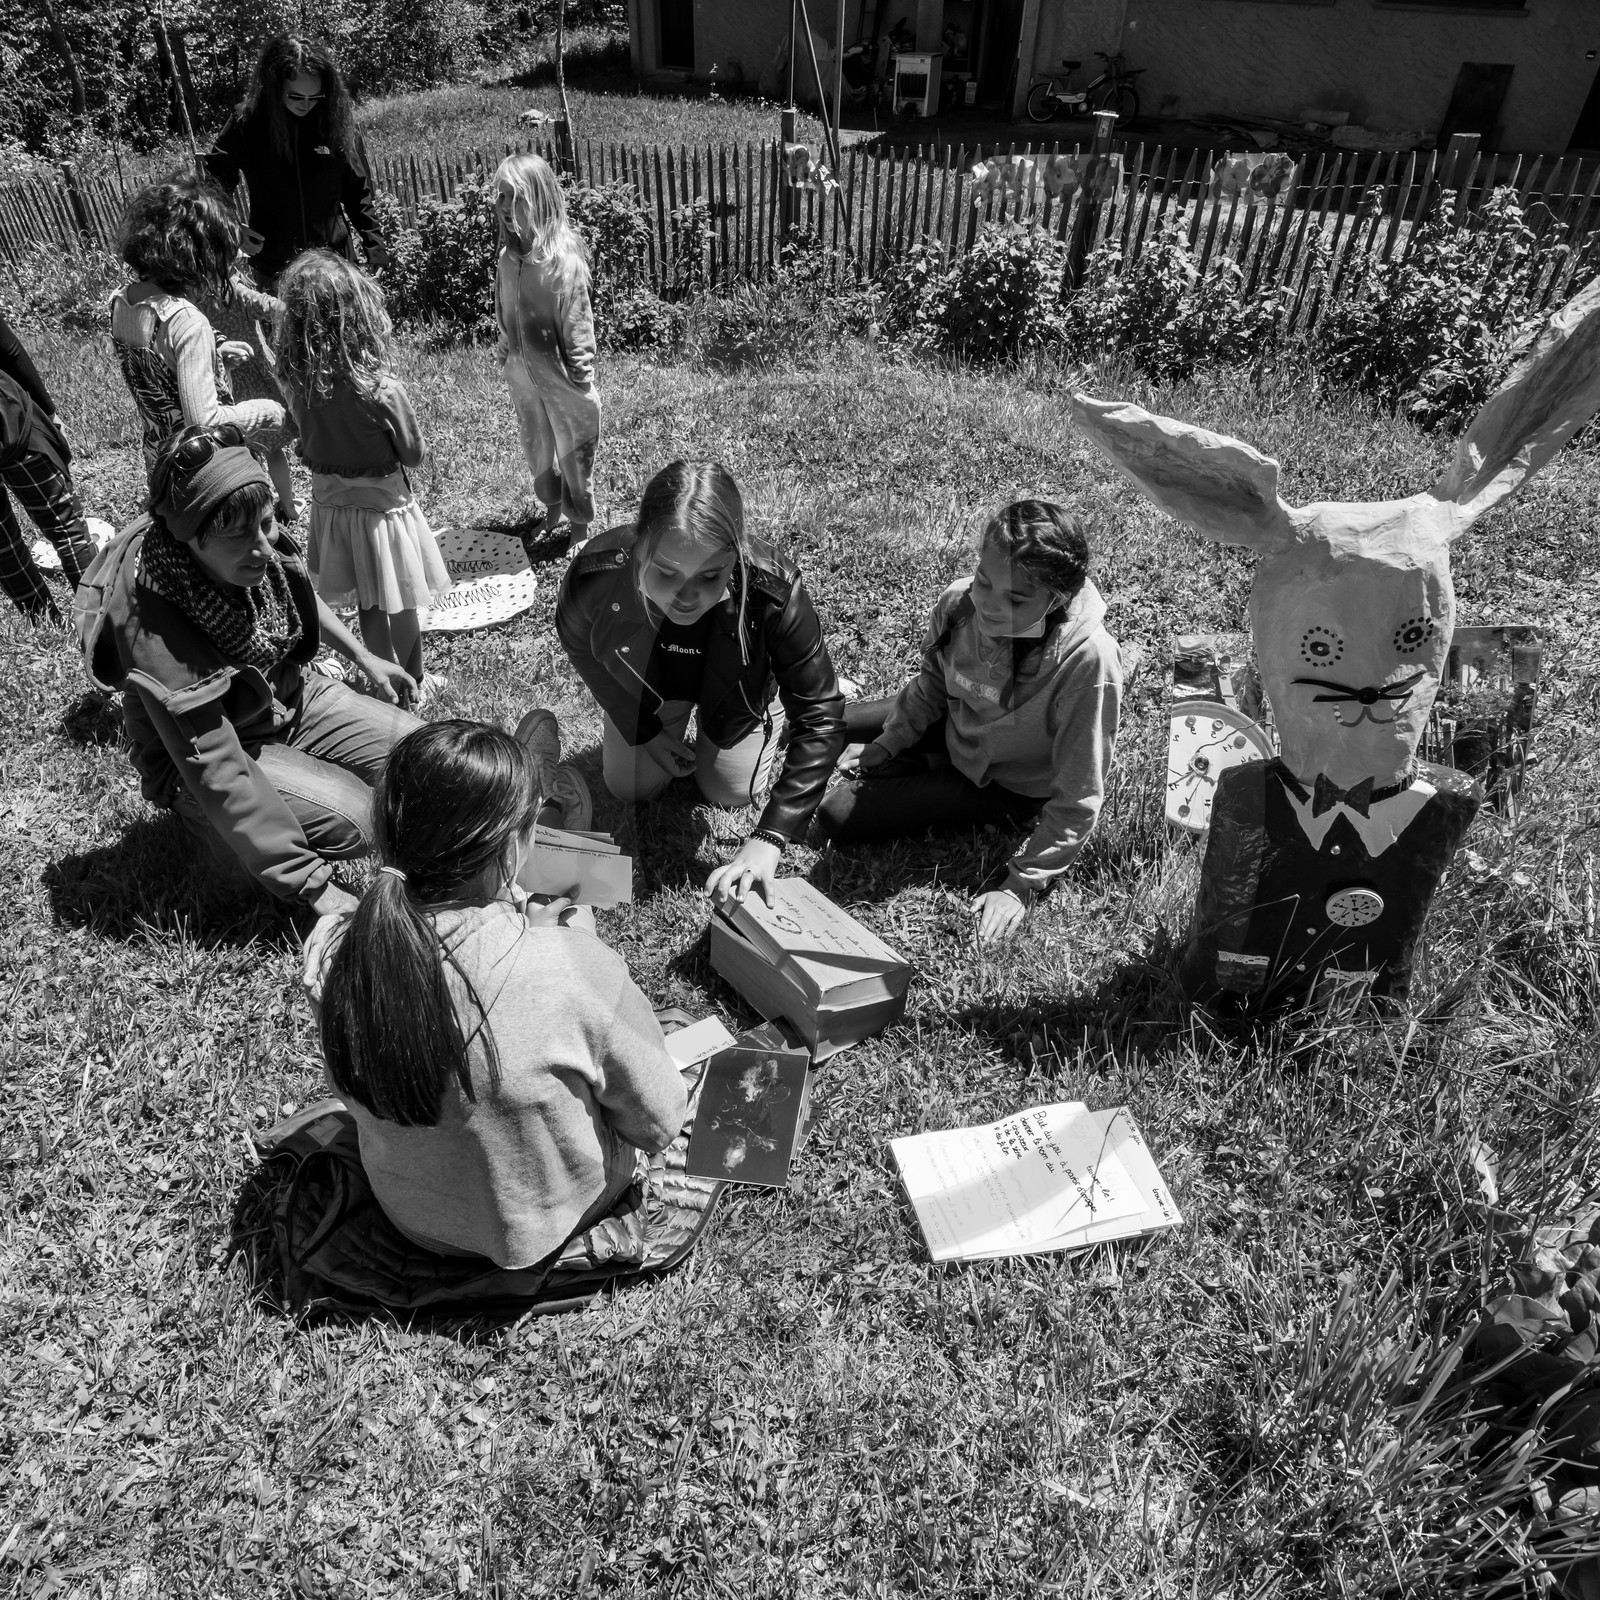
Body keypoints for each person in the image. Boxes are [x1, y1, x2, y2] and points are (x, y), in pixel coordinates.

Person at [302, 719, 688, 1268]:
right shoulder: (569, 968)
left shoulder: (337, 949)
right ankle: (569, 829)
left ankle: (554, 819)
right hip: (544, 1220)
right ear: (512, 851)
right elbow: (659, 1121)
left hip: (413, 1219)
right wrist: (570, 943)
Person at [76, 424, 422, 918]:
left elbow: (291, 589)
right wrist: (313, 886)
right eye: (239, 535)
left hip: (289, 698)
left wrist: (365, 657)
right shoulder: (153, 632)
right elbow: (215, 764)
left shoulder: (249, 531)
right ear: (189, 539)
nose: (262, 546)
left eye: (267, 524)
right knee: (363, 822)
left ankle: (295, 777)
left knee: (421, 751)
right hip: (211, 751)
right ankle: (208, 827)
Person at [817, 500, 1124, 944]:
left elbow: (1080, 792)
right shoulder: (960, 603)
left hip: (1005, 783)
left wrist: (1020, 885)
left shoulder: (1090, 661)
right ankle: (921, 758)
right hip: (957, 720)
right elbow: (932, 683)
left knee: (836, 815)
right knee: (822, 725)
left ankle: (930, 767)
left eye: (1016, 599)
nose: (989, 605)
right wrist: (890, 740)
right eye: (984, 580)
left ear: (1056, 597)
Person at [556, 460, 845, 910]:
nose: (686, 597)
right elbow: (580, 647)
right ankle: (670, 719)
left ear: (737, 553)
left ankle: (769, 714)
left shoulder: (774, 593)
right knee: (626, 786)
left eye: (711, 576)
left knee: (730, 792)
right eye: (666, 572)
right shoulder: (597, 575)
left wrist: (771, 834)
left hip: (735, 692)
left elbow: (822, 715)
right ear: (639, 544)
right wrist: (644, 729)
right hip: (653, 688)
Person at [272, 250, 449, 687]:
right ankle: (414, 680)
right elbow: (413, 455)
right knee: (403, 600)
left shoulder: (298, 384)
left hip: (333, 509)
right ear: (359, 316)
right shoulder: (382, 390)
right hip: (385, 510)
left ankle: (380, 678)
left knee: (370, 604)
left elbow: (303, 440)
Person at [109, 173, 298, 520]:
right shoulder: (188, 321)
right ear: (197, 256)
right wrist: (267, 411)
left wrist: (214, 355)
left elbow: (158, 371)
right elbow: (205, 422)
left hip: (162, 458)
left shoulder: (122, 303)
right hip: (208, 470)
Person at [203, 34, 387, 287]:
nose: (307, 104)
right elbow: (214, 181)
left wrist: (374, 246)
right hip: (274, 268)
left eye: (315, 97)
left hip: (335, 265)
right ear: (274, 86)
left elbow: (356, 191)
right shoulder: (247, 123)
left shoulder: (333, 121)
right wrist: (231, 226)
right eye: (296, 96)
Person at [493, 152, 600, 543]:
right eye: (502, 197)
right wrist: (505, 348)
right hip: (523, 377)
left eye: (516, 198)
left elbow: (578, 323)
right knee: (537, 448)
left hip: (562, 380)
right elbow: (504, 310)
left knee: (574, 454)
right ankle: (552, 510)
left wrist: (581, 375)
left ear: (541, 201)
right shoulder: (507, 260)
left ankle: (580, 527)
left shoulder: (561, 264)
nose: (506, 207)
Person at [0, 310, 97, 622]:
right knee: (64, 523)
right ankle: (97, 617)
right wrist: (49, 410)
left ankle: (45, 621)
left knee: (3, 543)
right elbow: (10, 351)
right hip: (10, 421)